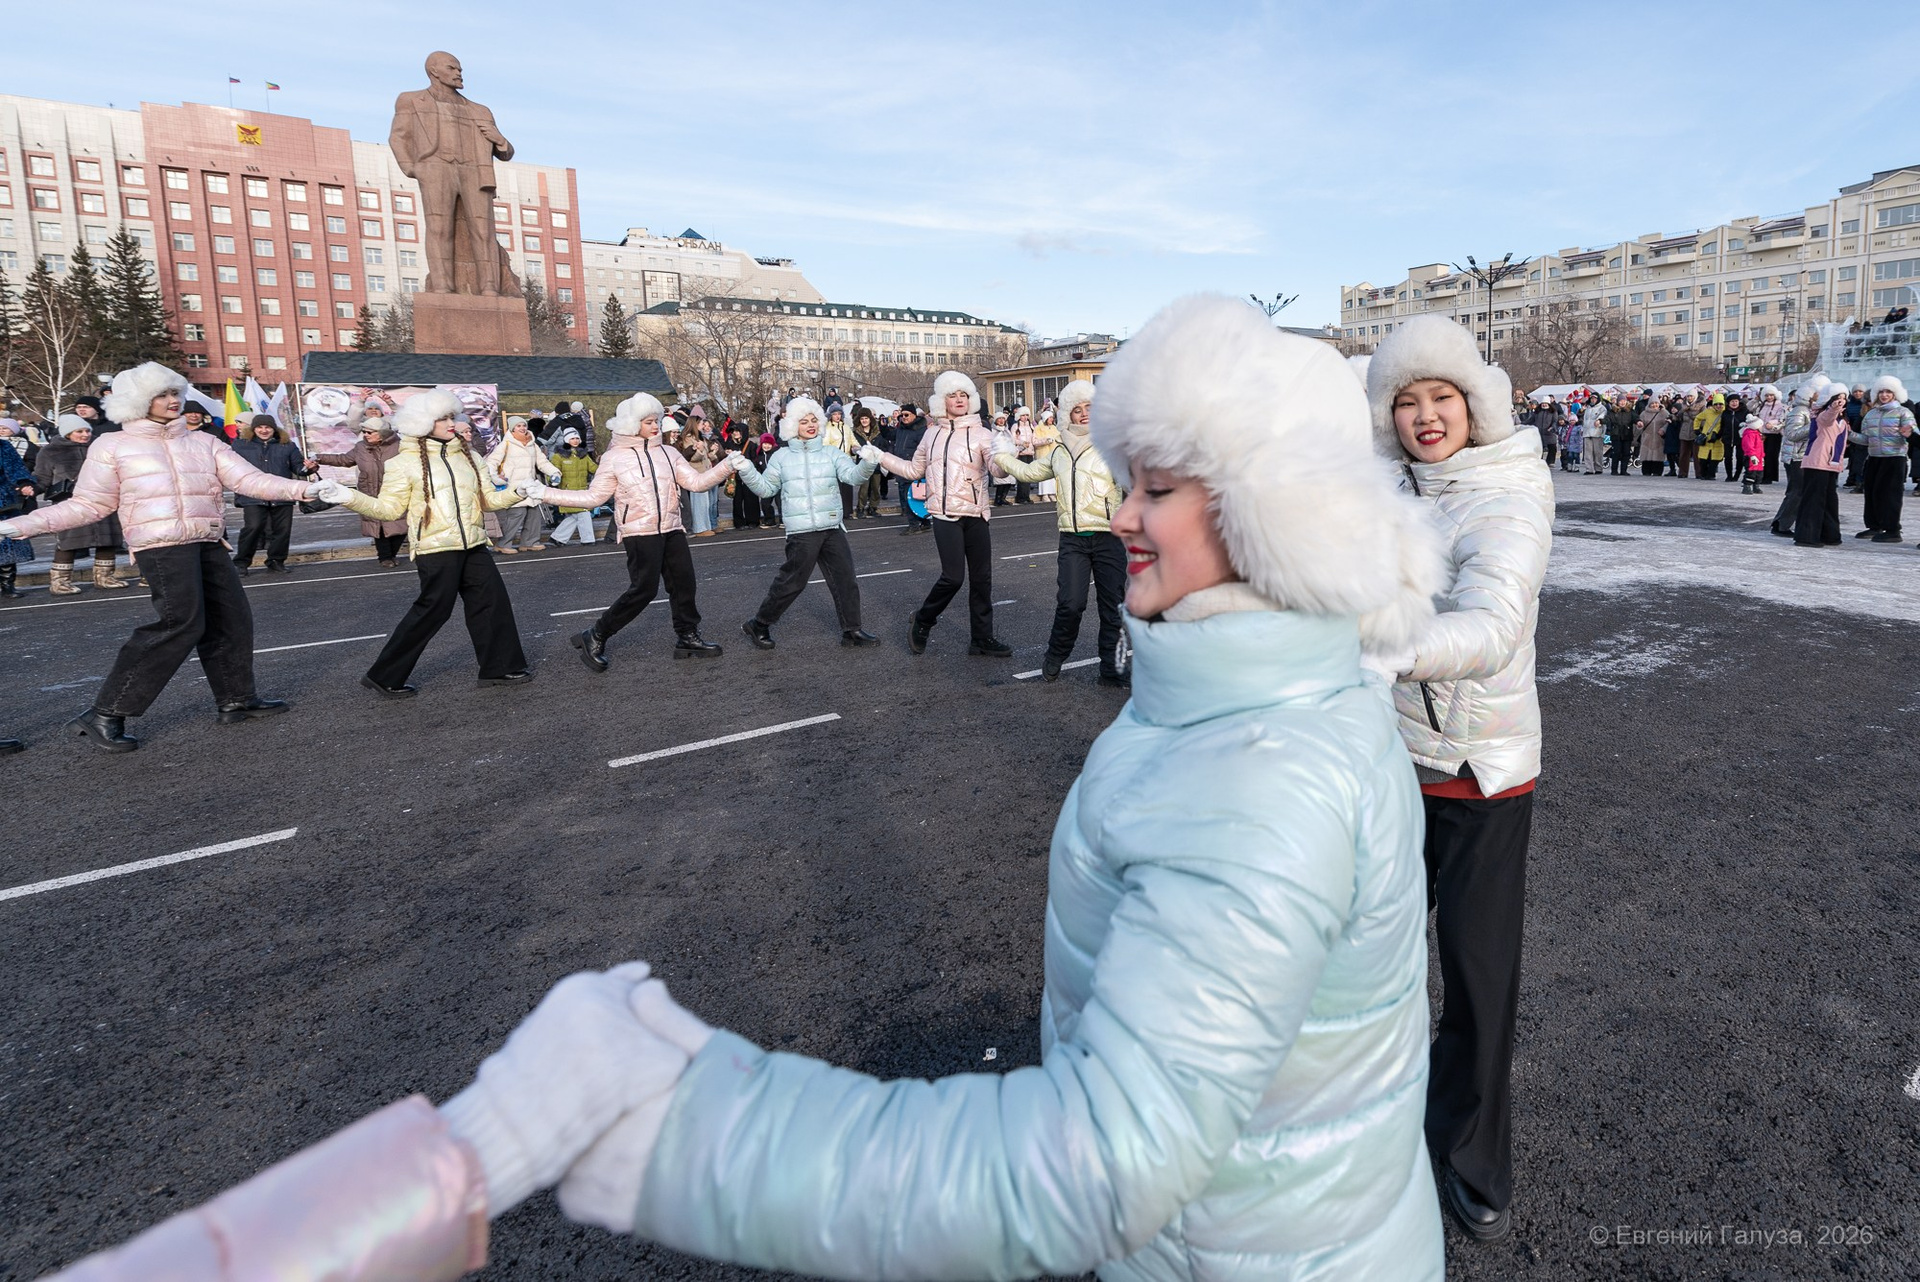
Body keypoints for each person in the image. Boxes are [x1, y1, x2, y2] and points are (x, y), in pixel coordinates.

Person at [41, 295, 1453, 1282]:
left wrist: (685, 1120)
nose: (1123, 511)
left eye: (1158, 489)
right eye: (1126, 481)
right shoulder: (1255, 700)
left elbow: (1100, 1165)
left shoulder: (1258, 771)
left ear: (1270, 511)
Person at [1366, 314, 1553, 1243]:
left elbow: (1493, 625)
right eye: (1406, 401)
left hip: (1480, 776)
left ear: (1475, 403)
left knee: (1476, 982)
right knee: (1372, 967)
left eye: (1442, 396)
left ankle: (1474, 1158)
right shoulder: (1378, 487)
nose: (1426, 415)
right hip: (1389, 764)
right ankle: (1377, 1132)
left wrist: (1386, 651)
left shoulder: (1509, 491)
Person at [0, 363, 318, 750]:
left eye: (175, 392)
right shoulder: (112, 445)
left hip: (208, 540)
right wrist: (22, 524)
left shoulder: (203, 442)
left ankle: (236, 699)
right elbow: (89, 503)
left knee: (232, 620)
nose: (172, 400)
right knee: (179, 624)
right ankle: (105, 713)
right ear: (138, 401)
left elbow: (249, 479)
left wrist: (305, 490)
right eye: (161, 394)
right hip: (160, 545)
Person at [315, 390, 535, 697]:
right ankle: (384, 675)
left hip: (473, 544)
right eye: (442, 418)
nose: (451, 423)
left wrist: (518, 492)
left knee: (492, 603)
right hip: (435, 548)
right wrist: (348, 496)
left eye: (451, 416)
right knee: (433, 611)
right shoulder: (403, 463)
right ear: (422, 422)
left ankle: (498, 668)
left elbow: (487, 501)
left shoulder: (469, 456)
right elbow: (388, 509)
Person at [519, 392, 735, 672]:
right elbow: (593, 498)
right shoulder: (614, 458)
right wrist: (545, 493)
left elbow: (696, 483)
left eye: (657, 421)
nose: (655, 426)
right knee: (643, 590)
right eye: (648, 422)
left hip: (672, 527)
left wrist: (727, 466)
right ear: (632, 423)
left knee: (684, 584)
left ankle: (688, 636)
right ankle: (596, 634)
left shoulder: (668, 453)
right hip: (638, 531)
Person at [990, 379, 1128, 686]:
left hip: (1109, 537)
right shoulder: (1059, 451)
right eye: (1077, 409)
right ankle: (1055, 654)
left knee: (1113, 607)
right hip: (1072, 540)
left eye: (1090, 407)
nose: (1084, 413)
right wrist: (1001, 456)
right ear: (1068, 414)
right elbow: (1028, 472)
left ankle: (1112, 669)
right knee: (1070, 603)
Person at [874, 371, 1013, 656]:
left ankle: (981, 639)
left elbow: (997, 471)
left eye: (964, 395)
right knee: (953, 578)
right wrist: (880, 457)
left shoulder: (983, 433)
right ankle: (923, 620)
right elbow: (913, 470)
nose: (959, 400)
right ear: (942, 401)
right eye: (953, 395)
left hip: (976, 513)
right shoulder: (931, 434)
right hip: (943, 514)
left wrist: (1005, 454)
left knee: (982, 579)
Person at [732, 396, 880, 649]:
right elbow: (766, 489)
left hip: (832, 527)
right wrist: (746, 469)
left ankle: (852, 630)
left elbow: (853, 477)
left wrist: (868, 462)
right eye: (803, 421)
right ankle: (759, 624)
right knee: (792, 582)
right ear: (792, 426)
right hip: (801, 532)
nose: (810, 425)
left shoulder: (831, 453)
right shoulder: (781, 457)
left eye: (813, 420)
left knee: (845, 580)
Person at [31, 414, 131, 594]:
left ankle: (104, 577)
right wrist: (31, 488)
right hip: (70, 502)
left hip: (104, 499)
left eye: (87, 430)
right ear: (67, 433)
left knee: (107, 540)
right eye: (79, 431)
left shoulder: (100, 446)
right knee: (67, 542)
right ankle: (60, 582)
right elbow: (42, 477)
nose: (85, 434)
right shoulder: (50, 451)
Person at [310, 415, 408, 566]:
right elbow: (343, 459)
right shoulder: (361, 447)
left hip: (396, 492)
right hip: (370, 492)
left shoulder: (400, 446)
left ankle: (391, 554)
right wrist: (319, 458)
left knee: (400, 525)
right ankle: (385, 557)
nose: (365, 435)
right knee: (378, 526)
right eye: (364, 432)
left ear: (382, 433)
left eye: (369, 432)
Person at [230, 414, 310, 575]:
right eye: (260, 427)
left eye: (268, 427)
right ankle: (241, 563)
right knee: (253, 527)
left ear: (274, 429)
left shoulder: (287, 445)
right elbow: (231, 467)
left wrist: (309, 468)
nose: (264, 430)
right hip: (253, 494)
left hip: (282, 494)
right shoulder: (240, 445)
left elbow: (298, 467)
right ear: (253, 429)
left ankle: (276, 561)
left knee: (282, 530)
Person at [1852, 375, 1916, 543]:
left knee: (1890, 495)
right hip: (1874, 458)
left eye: (1888, 392)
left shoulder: (1903, 412)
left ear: (1895, 394)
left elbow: (1914, 434)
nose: (1884, 395)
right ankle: (1874, 526)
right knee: (1872, 492)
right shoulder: (1871, 414)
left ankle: (1893, 530)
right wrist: (1849, 434)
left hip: (1895, 458)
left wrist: (1908, 433)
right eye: (1881, 392)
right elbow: (1866, 439)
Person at [487, 415, 559, 553]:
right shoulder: (506, 444)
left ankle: (530, 542)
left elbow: (542, 462)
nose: (522, 428)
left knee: (534, 515)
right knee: (516, 516)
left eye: (524, 425)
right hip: (514, 488)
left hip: (530, 487)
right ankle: (503, 544)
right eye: (518, 426)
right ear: (512, 429)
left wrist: (554, 473)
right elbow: (491, 462)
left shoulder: (532, 444)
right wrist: (496, 478)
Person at [1792, 386, 1850, 548]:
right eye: (1837, 398)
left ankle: (1830, 535)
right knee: (1813, 500)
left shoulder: (1842, 420)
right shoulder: (1822, 415)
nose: (1841, 401)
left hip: (1832, 464)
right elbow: (1827, 418)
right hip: (1817, 462)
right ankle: (1807, 536)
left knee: (1830, 501)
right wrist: (1833, 408)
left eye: (1844, 398)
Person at [1770, 382, 1821, 538]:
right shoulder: (1799, 412)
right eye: (1816, 397)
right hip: (1796, 456)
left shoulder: (1806, 411)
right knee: (1796, 492)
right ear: (1808, 398)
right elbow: (1792, 434)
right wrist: (1814, 425)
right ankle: (1782, 525)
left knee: (1796, 491)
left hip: (1800, 455)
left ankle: (1781, 523)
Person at [547, 429, 599, 544]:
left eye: (577, 438)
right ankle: (588, 539)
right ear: (566, 440)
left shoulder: (583, 456)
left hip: (582, 490)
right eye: (572, 438)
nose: (575, 441)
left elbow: (593, 468)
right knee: (583, 512)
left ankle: (557, 538)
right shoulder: (558, 456)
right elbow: (552, 471)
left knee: (575, 515)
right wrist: (553, 479)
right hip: (567, 491)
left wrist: (605, 467)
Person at [677, 422, 723, 538]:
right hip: (697, 474)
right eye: (702, 424)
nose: (704, 427)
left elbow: (707, 457)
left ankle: (710, 525)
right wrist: (699, 450)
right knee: (699, 503)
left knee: (710, 502)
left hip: (707, 472)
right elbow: (692, 459)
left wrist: (712, 452)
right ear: (695, 424)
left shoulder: (701, 438)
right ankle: (700, 528)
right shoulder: (688, 439)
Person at [888, 404, 930, 534]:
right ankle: (925, 522)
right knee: (910, 496)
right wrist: (883, 426)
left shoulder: (921, 430)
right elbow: (889, 436)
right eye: (902, 415)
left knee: (910, 497)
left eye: (906, 415)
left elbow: (924, 450)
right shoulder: (901, 428)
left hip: (913, 467)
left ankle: (914, 525)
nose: (904, 417)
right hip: (901, 466)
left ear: (914, 415)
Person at [0, 439, 34, 597]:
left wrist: (24, 483)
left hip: (3, 501)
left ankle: (7, 585)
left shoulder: (3, 446)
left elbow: (16, 468)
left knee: (7, 545)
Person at [849, 405, 884, 517]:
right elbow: (853, 447)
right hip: (863, 463)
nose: (864, 421)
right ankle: (860, 508)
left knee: (875, 487)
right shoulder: (855, 433)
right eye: (862, 418)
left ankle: (873, 507)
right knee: (864, 488)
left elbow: (882, 445)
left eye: (866, 418)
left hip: (876, 463)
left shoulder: (877, 432)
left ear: (870, 419)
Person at [1752, 385, 1786, 485]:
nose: (1769, 397)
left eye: (1771, 395)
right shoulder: (1761, 405)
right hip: (1762, 432)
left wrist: (1771, 423)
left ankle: (1769, 476)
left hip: (1774, 433)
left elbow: (1781, 419)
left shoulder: (1780, 406)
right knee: (1762, 454)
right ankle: (1761, 475)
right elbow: (1751, 409)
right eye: (1767, 395)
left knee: (1771, 455)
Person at [1580, 396, 1605, 474]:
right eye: (1591, 398)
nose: (1593, 400)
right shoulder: (1587, 408)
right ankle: (1589, 469)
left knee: (1597, 452)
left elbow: (1603, 417)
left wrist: (1599, 420)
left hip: (1597, 432)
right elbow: (1583, 419)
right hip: (1587, 433)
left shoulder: (1602, 408)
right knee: (1588, 452)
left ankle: (1598, 468)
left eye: (1595, 398)